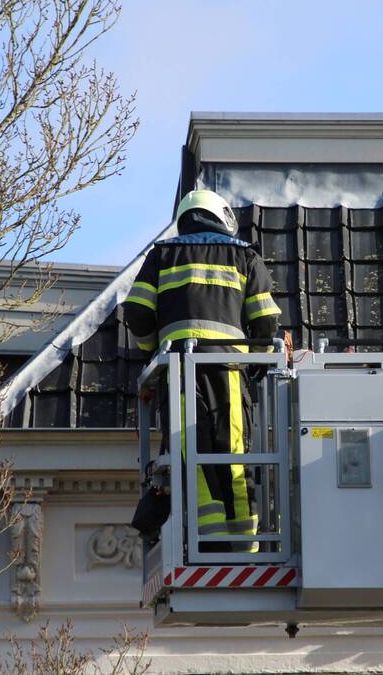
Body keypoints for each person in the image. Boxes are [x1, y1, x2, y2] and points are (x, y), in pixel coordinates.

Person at [123, 189, 281, 552]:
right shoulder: (245, 255)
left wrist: (153, 353)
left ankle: (206, 540)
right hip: (226, 370)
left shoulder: (161, 255)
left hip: (177, 372)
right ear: (222, 216)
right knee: (233, 454)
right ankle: (244, 544)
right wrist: (255, 362)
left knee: (189, 452)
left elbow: (136, 311)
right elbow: (266, 318)